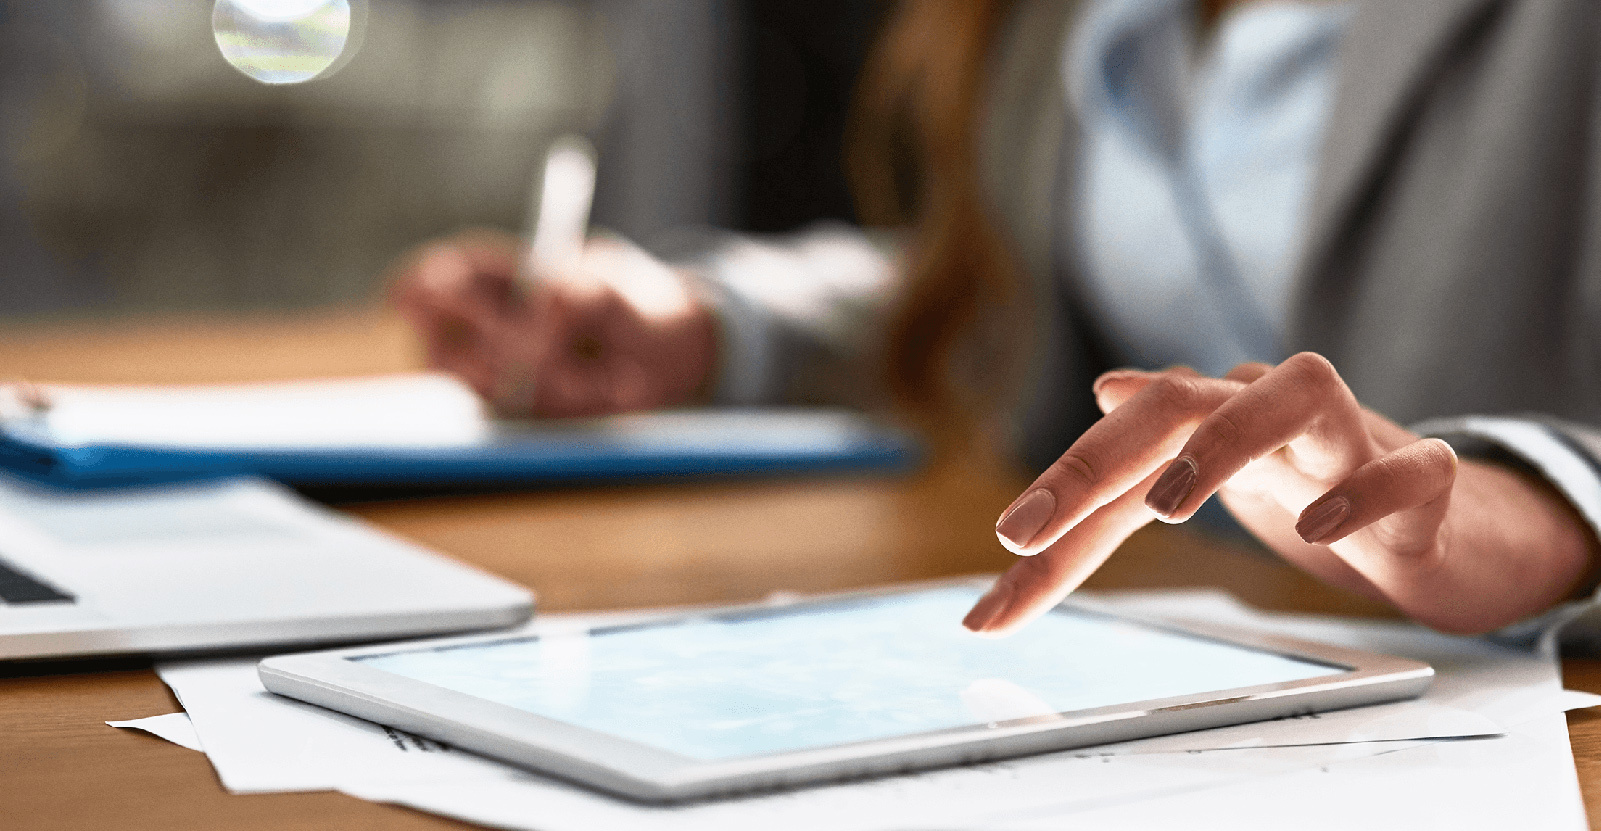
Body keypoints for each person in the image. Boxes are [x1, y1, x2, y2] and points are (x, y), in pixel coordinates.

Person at [384, 0, 1601, 640]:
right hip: (1167, 674)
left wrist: (1534, 509)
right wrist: (709, 324)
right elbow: (1021, 291)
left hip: (1484, 727)